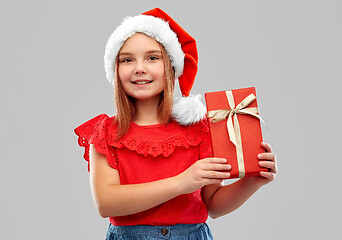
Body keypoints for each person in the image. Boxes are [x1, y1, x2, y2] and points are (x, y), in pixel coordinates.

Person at [74, 8, 277, 240]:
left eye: (152, 57)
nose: (140, 68)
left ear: (170, 67)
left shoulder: (199, 129)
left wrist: (252, 181)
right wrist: (182, 182)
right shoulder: (106, 132)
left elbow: (213, 205)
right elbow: (106, 203)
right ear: (116, 70)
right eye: (127, 59)